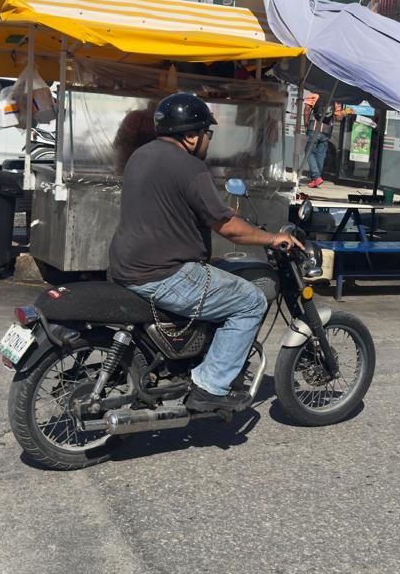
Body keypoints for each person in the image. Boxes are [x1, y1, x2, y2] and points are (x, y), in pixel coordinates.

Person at [108, 92, 302, 413]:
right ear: (190, 135)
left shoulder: (141, 155)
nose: (208, 141)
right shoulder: (190, 168)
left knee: (219, 279)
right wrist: (272, 238)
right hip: (164, 274)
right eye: (207, 133)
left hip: (126, 264)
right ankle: (211, 387)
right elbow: (228, 227)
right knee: (250, 301)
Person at [302, 92, 350, 188]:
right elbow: (338, 117)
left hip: (314, 129)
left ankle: (316, 177)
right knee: (320, 155)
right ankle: (316, 180)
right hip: (326, 132)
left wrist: (306, 124)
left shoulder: (314, 94)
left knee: (308, 151)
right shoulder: (336, 98)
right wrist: (346, 112)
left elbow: (307, 109)